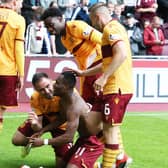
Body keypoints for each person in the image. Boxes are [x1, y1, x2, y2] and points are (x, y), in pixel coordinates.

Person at [86, 3, 133, 168]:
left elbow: (121, 54)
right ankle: (120, 157)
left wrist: (104, 78)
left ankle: (110, 164)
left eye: (92, 20)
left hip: (116, 88)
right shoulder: (115, 28)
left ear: (98, 17)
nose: (93, 25)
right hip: (111, 88)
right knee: (89, 123)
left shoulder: (110, 28)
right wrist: (84, 73)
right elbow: (109, 61)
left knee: (110, 131)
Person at [29, 71, 104, 168]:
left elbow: (68, 137)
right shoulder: (64, 98)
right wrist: (43, 130)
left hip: (93, 142)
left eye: (57, 83)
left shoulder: (74, 107)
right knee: (61, 165)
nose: (54, 85)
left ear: (66, 88)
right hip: (83, 139)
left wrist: (44, 142)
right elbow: (61, 119)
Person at [40, 7, 102, 106]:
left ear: (60, 19)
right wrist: (84, 74)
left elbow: (103, 40)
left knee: (100, 101)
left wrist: (107, 63)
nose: (50, 29)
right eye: (47, 27)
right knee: (86, 102)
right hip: (86, 71)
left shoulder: (76, 26)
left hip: (97, 65)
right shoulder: (63, 40)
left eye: (51, 25)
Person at [12, 72, 71, 167]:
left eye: (48, 86)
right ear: (36, 90)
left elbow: (65, 120)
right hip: (46, 119)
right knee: (17, 140)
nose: (47, 91)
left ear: (52, 81)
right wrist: (35, 124)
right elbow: (38, 127)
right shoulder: (35, 97)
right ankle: (31, 143)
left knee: (63, 165)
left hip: (63, 125)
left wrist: (44, 140)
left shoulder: (64, 90)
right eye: (42, 90)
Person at [0, 0, 25, 133]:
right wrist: (21, 74)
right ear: (14, 2)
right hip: (7, 70)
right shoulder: (18, 20)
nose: (21, 5)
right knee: (1, 110)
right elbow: (18, 49)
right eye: (21, 2)